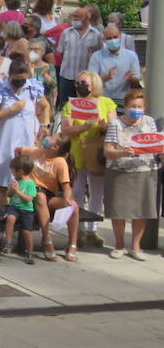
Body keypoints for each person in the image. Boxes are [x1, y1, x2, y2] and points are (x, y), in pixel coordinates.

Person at [57, 69, 113, 245]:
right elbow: (66, 130)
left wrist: (104, 127)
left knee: (98, 192)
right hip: (77, 152)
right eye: (78, 83)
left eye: (84, 83)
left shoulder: (107, 103)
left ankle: (93, 229)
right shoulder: (71, 105)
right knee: (78, 191)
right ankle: (78, 229)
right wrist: (85, 126)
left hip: (97, 154)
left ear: (94, 84)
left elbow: (114, 127)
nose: (80, 86)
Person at [104, 89, 160, 261]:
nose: (137, 109)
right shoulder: (115, 123)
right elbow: (108, 151)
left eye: (140, 106)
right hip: (119, 171)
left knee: (141, 211)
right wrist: (122, 153)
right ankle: (119, 244)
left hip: (145, 170)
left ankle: (136, 245)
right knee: (118, 210)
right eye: (133, 106)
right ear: (126, 107)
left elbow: (155, 144)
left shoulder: (149, 122)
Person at [0, 61, 50, 197]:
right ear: (10, 75)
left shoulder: (32, 87)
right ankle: (3, 214)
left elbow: (46, 106)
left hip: (27, 140)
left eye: (22, 80)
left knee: (28, 182)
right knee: (3, 183)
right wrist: (10, 110)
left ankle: (24, 213)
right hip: (5, 141)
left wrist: (44, 124)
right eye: (16, 80)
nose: (20, 82)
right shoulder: (0, 88)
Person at [56, 8, 102, 106]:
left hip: (85, 81)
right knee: (64, 105)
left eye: (77, 17)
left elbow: (98, 56)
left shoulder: (96, 35)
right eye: (73, 16)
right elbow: (61, 52)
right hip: (66, 76)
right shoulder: (66, 33)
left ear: (86, 18)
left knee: (83, 106)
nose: (74, 19)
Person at [0, 153, 40, 264]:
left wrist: (18, 191)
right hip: (14, 207)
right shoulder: (15, 181)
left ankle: (30, 252)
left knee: (27, 231)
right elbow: (8, 194)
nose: (12, 172)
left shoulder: (30, 184)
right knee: (10, 219)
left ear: (20, 171)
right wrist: (12, 190)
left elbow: (29, 199)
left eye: (13, 170)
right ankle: (8, 243)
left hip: (26, 210)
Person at [88, 25, 142, 104]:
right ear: (103, 39)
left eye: (115, 37)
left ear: (120, 36)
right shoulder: (96, 56)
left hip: (124, 99)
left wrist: (130, 78)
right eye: (109, 38)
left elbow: (137, 82)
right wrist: (107, 77)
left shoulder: (131, 56)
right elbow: (91, 81)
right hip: (102, 98)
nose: (113, 40)